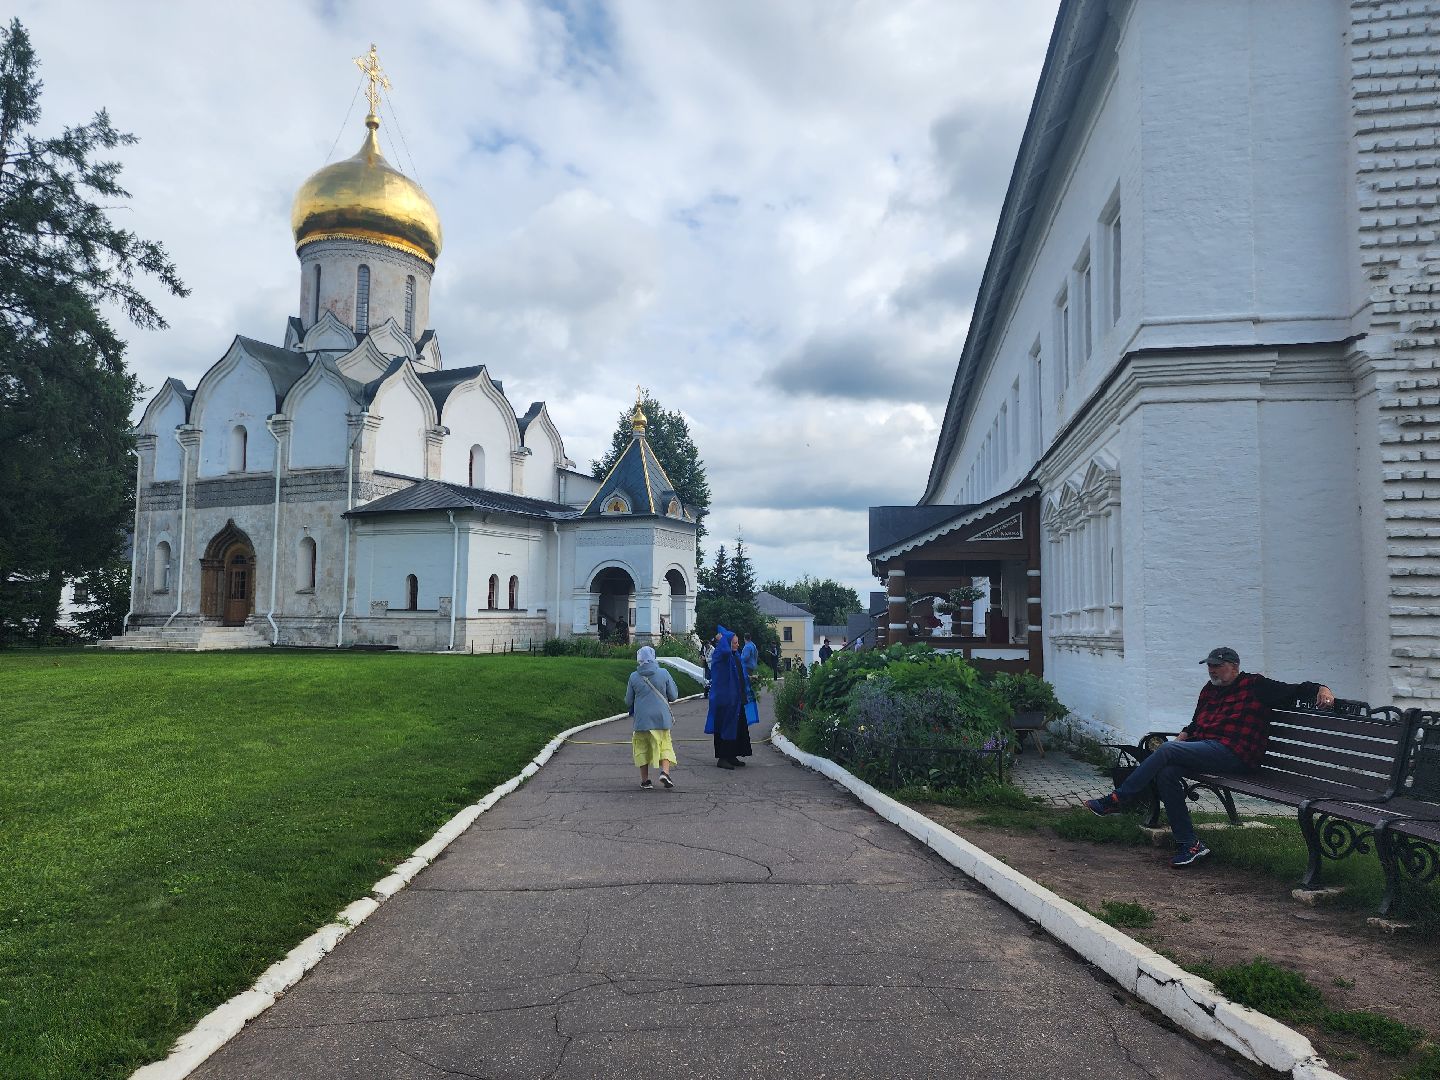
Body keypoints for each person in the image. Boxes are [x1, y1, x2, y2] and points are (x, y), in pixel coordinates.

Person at [1085, 646, 1336, 867]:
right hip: (1208, 748)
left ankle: (1118, 799)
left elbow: (1294, 691)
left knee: (1168, 750)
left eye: (1217, 666)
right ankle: (1190, 844)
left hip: (1237, 754)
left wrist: (1321, 688)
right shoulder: (1209, 690)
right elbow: (1196, 722)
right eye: (1210, 666)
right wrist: (1184, 735)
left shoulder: (1256, 685)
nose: (1212, 671)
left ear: (1234, 666)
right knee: (1167, 772)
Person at [626, 645, 679, 789]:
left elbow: (628, 701)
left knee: (642, 747)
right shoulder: (663, 673)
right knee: (665, 745)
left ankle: (645, 781)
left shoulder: (633, 676)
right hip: (661, 718)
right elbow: (673, 696)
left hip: (642, 720)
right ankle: (665, 772)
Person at [705, 625, 754, 770]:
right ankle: (723, 758)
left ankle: (732, 755)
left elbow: (740, 673)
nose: (738, 645)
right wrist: (722, 641)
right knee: (725, 727)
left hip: (736, 699)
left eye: (737, 642)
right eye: (735, 642)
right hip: (724, 700)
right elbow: (725, 651)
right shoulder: (721, 655)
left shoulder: (734, 655)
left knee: (737, 727)